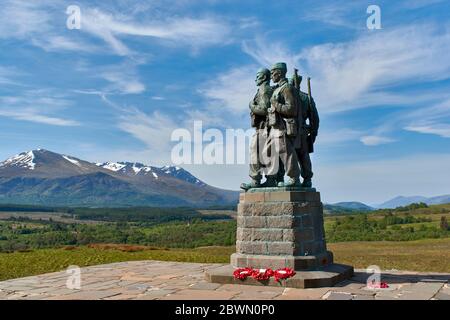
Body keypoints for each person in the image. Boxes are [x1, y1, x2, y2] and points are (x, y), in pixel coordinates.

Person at [240, 68, 273, 190]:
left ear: (264, 77)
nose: (255, 79)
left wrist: (252, 106)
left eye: (258, 76)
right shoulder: (267, 90)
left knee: (255, 152)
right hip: (266, 127)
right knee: (268, 154)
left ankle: (256, 180)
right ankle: (270, 179)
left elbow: (264, 110)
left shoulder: (264, 90)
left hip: (264, 127)